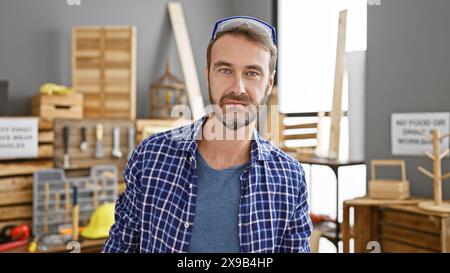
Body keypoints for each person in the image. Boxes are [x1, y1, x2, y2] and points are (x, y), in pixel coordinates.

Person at [103, 16, 312, 253]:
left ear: (269, 82)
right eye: (225, 70)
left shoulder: (290, 178)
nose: (238, 88)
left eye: (252, 73)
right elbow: (120, 247)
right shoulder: (150, 157)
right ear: (208, 75)